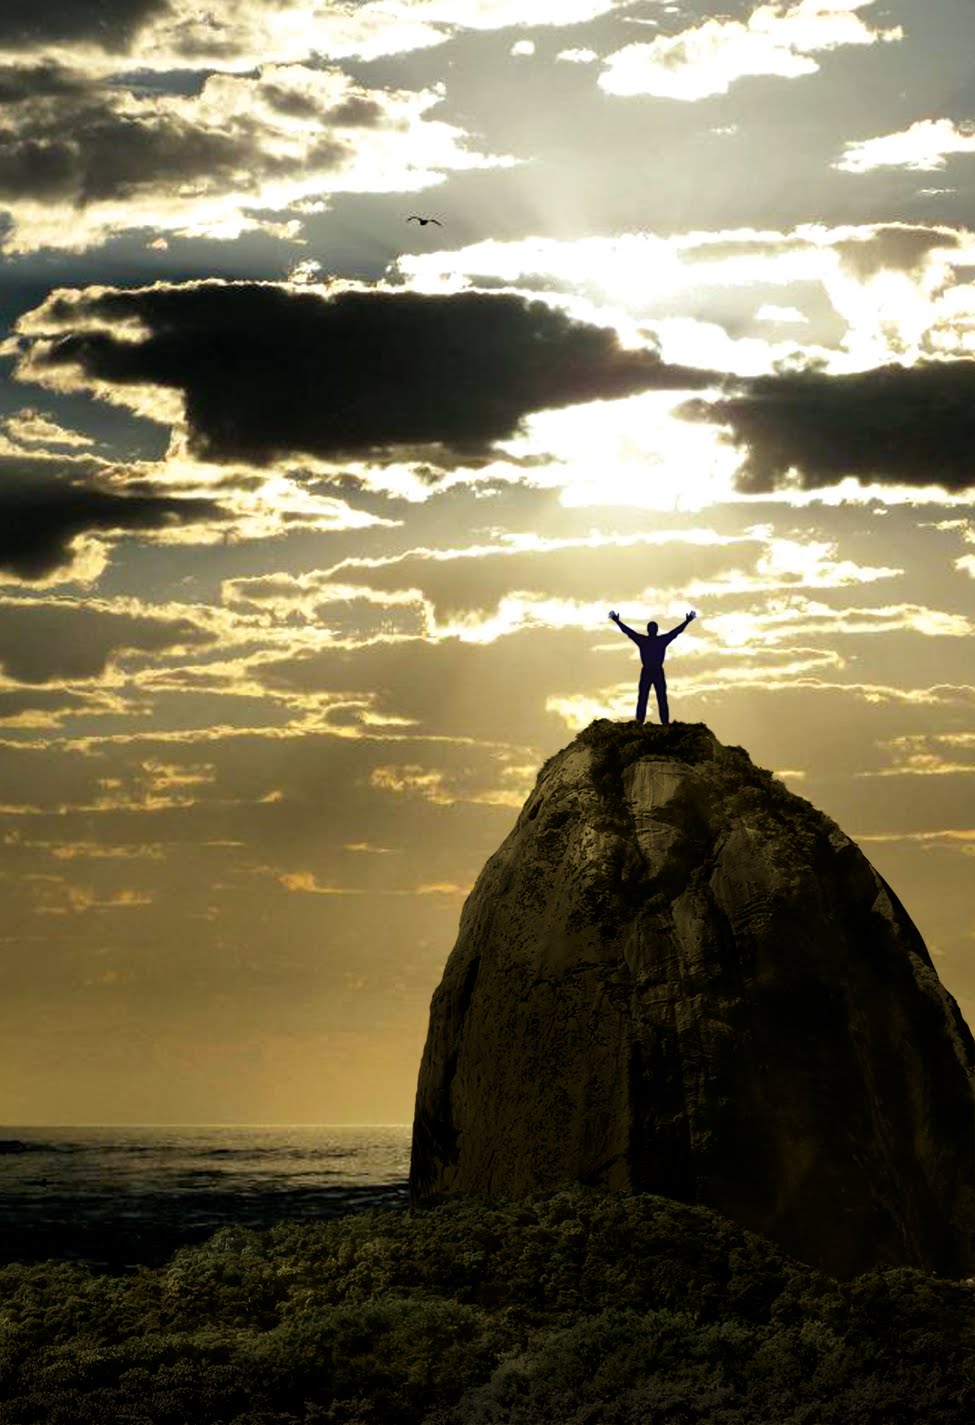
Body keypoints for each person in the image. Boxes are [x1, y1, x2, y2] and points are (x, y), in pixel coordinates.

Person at [608, 608, 697, 725]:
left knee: (654, 697)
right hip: (651, 671)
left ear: (649, 630)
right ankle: (650, 722)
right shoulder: (657, 640)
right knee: (652, 697)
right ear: (655, 630)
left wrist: (617, 621)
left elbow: (629, 632)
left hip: (652, 671)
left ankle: (656, 722)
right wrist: (687, 621)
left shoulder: (647, 640)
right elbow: (675, 632)